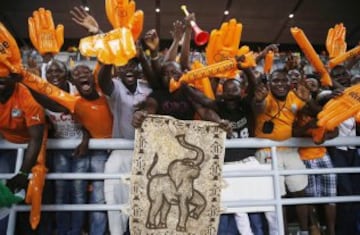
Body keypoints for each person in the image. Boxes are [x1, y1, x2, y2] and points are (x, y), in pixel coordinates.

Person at [254, 69, 310, 234]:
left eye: (283, 81)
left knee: (300, 191)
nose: (280, 84)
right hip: (267, 151)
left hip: (290, 151)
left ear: (289, 83)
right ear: (269, 83)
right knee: (278, 197)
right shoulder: (264, 96)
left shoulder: (294, 96)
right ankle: (282, 232)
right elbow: (257, 107)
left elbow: (314, 112)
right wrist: (258, 101)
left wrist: (309, 99)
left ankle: (304, 231)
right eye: (276, 81)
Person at [0, 74, 46, 233]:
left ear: (14, 78)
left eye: (3, 74)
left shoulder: (28, 98)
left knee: (34, 194)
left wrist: (23, 172)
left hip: (34, 148)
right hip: (6, 143)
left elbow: (36, 139)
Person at [292, 76, 338, 235]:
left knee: (330, 196)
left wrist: (323, 137)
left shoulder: (323, 107)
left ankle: (331, 231)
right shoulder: (296, 107)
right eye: (307, 83)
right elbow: (292, 133)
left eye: (314, 84)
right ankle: (314, 227)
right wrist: (308, 129)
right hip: (303, 157)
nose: (310, 86)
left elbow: (335, 131)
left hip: (323, 156)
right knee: (309, 197)